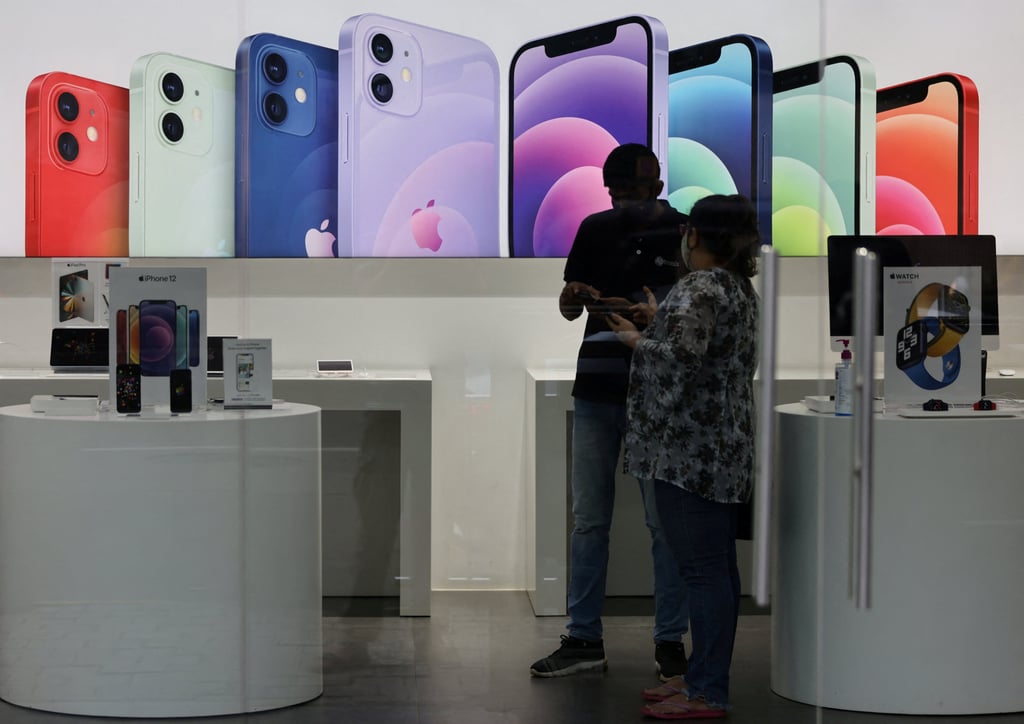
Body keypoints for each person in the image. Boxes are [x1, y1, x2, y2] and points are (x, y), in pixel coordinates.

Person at [529, 144, 690, 680]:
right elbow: (570, 305)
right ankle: (585, 638)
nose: (624, 202)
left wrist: (651, 315)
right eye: (617, 192)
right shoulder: (596, 229)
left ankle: (668, 641)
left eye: (632, 192)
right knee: (590, 519)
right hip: (601, 383)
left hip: (658, 387)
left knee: (660, 522)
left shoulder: (685, 234)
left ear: (656, 187)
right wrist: (574, 293)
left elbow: (695, 311)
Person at [607, 193, 760, 718]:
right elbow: (703, 351)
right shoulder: (737, 287)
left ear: (694, 235)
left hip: (687, 453)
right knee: (716, 569)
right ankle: (700, 678)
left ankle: (705, 691)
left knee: (703, 571)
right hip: (724, 447)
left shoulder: (699, 286)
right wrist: (660, 321)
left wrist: (635, 339)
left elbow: (678, 363)